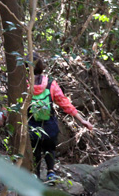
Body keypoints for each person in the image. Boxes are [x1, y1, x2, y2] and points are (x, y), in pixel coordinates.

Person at [28, 52, 93, 183]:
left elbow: (15, 103)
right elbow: (65, 104)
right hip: (49, 125)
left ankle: (35, 176)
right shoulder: (50, 84)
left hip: (32, 124)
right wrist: (82, 120)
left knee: (35, 151)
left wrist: (4, 115)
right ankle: (51, 173)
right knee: (49, 149)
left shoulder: (24, 85)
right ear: (41, 67)